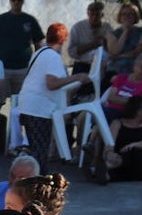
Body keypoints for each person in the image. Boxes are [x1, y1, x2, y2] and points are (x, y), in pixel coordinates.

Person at [17, 23, 89, 165]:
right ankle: (37, 183)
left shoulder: (39, 52)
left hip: (27, 105)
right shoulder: (52, 56)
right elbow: (52, 84)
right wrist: (77, 77)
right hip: (39, 109)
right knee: (40, 155)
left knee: (35, 152)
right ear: (63, 40)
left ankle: (33, 181)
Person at [0, 0, 44, 94]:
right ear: (10, 1)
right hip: (2, 68)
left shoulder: (30, 20)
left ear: (23, 1)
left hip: (24, 69)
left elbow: (38, 44)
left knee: (22, 102)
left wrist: (35, 65)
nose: (16, 2)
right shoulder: (0, 19)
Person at [96, 94, 142, 183]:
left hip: (140, 157)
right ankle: (106, 174)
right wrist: (109, 153)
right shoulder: (117, 123)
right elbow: (110, 142)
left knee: (136, 152)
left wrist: (133, 145)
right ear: (138, 110)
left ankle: (107, 172)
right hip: (120, 156)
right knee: (123, 161)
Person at [102, 52, 142, 122]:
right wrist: (134, 103)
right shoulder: (120, 78)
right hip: (113, 110)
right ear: (135, 66)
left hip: (132, 115)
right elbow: (111, 97)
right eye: (141, 67)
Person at [68, 1, 112, 83]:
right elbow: (71, 52)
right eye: (92, 14)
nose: (94, 18)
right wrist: (92, 44)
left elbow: (112, 50)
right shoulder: (78, 28)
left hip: (103, 66)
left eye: (97, 15)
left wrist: (104, 42)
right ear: (88, 14)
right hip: (83, 64)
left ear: (102, 15)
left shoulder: (107, 27)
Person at [106, 3, 142, 77]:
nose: (127, 16)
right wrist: (126, 31)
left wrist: (121, 56)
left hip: (136, 67)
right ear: (120, 17)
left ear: (135, 16)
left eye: (130, 14)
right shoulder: (113, 34)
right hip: (117, 68)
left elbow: (138, 51)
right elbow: (114, 52)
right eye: (124, 14)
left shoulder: (141, 32)